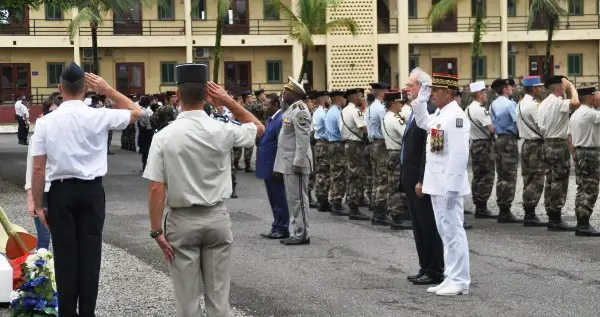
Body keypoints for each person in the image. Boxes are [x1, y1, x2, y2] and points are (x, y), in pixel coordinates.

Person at [144, 64, 264, 317]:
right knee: (219, 299)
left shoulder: (164, 136)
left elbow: (156, 187)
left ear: (177, 96)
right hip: (216, 216)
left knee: (187, 302)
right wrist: (229, 101)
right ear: (208, 96)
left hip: (182, 219)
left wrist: (157, 230)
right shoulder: (222, 129)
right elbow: (258, 129)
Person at [30, 63, 142, 316]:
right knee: (90, 255)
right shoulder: (99, 114)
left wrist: (38, 204)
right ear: (86, 89)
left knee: (65, 255)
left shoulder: (46, 122)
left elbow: (38, 169)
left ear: (60, 89)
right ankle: (87, 312)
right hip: (91, 192)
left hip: (60, 192)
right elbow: (136, 112)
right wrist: (107, 89)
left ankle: (67, 312)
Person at [411, 71, 471, 296]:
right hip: (437, 183)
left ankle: (461, 280)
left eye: (435, 91)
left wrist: (453, 188)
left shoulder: (455, 116)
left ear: (447, 92)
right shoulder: (440, 114)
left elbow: (458, 154)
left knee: (454, 231)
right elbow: (422, 122)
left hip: (447, 185)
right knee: (445, 232)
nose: (432, 94)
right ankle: (451, 276)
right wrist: (421, 99)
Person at [403, 69, 444, 286]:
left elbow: (428, 152)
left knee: (429, 225)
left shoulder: (430, 111)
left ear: (422, 87)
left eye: (410, 85)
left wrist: (421, 179)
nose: (407, 88)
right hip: (411, 178)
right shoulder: (415, 110)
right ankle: (425, 266)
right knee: (418, 226)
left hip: (422, 179)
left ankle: (435, 270)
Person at [274, 77, 313, 246]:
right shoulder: (291, 109)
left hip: (296, 163)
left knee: (299, 200)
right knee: (293, 199)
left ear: (295, 94)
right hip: (289, 162)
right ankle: (297, 230)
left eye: (287, 91)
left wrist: (299, 162)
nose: (284, 94)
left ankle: (302, 233)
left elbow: (303, 139)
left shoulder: (300, 111)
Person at [538, 75, 580, 231]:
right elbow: (576, 103)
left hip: (547, 143)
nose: (565, 89)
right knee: (559, 181)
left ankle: (551, 216)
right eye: (563, 87)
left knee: (550, 181)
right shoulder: (557, 102)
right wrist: (571, 88)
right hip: (558, 144)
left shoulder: (543, 103)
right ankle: (556, 218)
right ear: (559, 88)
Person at [25, 99, 58, 250]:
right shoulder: (37, 136)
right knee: (44, 240)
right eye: (50, 112)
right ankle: (42, 271)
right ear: (43, 114)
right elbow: (32, 167)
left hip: (61, 190)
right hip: (42, 191)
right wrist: (31, 196)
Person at [256, 94, 289, 240]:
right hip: (268, 166)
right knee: (273, 198)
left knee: (279, 198)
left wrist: (279, 167)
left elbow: (281, 145)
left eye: (266, 104)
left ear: (275, 104)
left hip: (274, 166)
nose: (264, 107)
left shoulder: (281, 120)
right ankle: (276, 225)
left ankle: (283, 227)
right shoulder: (271, 120)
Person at [568, 86, 600, 236]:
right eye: (595, 95)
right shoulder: (589, 113)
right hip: (590, 153)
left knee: (582, 187)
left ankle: (581, 222)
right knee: (590, 188)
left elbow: (570, 138)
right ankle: (583, 225)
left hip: (580, 152)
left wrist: (574, 155)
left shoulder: (576, 114)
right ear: (590, 97)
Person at [516, 76, 547, 226]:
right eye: (539, 87)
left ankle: (529, 211)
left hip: (526, 144)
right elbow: (541, 126)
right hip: (536, 145)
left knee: (528, 178)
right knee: (536, 178)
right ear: (533, 88)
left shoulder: (520, 103)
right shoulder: (534, 106)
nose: (540, 89)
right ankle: (530, 213)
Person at [490, 78, 522, 223]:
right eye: (509, 87)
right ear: (504, 89)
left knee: (501, 174)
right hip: (509, 140)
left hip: (498, 139)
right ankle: (505, 210)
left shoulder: (492, 105)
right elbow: (518, 122)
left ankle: (501, 206)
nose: (512, 89)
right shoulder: (510, 104)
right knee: (510, 175)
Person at [465, 81, 496, 218]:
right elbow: (492, 129)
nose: (486, 95)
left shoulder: (468, 109)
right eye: (484, 92)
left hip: (475, 144)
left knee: (477, 175)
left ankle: (478, 203)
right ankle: (482, 207)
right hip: (484, 145)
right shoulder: (480, 110)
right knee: (487, 175)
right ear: (478, 94)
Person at [381, 90, 412, 230]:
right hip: (397, 153)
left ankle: (398, 214)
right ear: (394, 104)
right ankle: (397, 216)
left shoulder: (386, 117)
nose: (401, 105)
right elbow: (407, 134)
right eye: (400, 103)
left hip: (391, 152)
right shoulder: (396, 119)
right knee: (397, 185)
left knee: (394, 184)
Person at [341, 88, 370, 221]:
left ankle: (352, 201)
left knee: (352, 174)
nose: (362, 98)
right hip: (355, 145)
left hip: (348, 144)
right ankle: (354, 207)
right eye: (360, 96)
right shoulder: (355, 111)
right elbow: (363, 129)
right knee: (357, 175)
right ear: (354, 97)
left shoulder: (344, 110)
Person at [366, 83, 391, 225]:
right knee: (383, 178)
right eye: (386, 90)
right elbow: (386, 127)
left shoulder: (370, 107)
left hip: (372, 144)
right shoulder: (381, 108)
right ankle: (380, 212)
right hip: (381, 144)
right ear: (382, 92)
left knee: (377, 177)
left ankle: (377, 208)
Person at [325, 91, 349, 216]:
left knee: (335, 173)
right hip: (338, 144)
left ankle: (335, 200)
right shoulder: (338, 113)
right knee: (339, 174)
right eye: (343, 98)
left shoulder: (330, 111)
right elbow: (342, 129)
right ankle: (337, 203)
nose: (345, 100)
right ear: (339, 99)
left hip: (331, 144)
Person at [310, 91, 331, 212]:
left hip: (318, 143)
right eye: (327, 98)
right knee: (323, 172)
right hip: (323, 144)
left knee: (320, 172)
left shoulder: (317, 112)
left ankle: (321, 198)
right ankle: (322, 200)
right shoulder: (322, 113)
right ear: (323, 99)